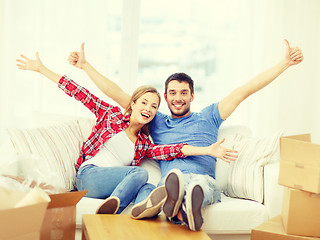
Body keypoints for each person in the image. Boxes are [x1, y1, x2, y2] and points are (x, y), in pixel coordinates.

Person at [68, 39, 303, 230]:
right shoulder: (157, 120)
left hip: (202, 181)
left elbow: (245, 91)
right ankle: (174, 212)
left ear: (192, 96)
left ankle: (186, 203)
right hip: (166, 184)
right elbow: (116, 93)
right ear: (166, 96)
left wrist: (284, 64)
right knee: (151, 190)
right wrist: (85, 66)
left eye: (183, 92)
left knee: (199, 184)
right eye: (172, 93)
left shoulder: (210, 116)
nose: (177, 97)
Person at [16, 52, 237, 217]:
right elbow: (78, 92)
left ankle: (143, 211)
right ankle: (114, 208)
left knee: (151, 188)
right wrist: (42, 69)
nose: (149, 109)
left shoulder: (144, 144)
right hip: (89, 176)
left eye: (153, 106)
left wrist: (209, 150)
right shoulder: (110, 115)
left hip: (113, 183)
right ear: (133, 103)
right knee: (139, 174)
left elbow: (175, 149)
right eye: (144, 103)